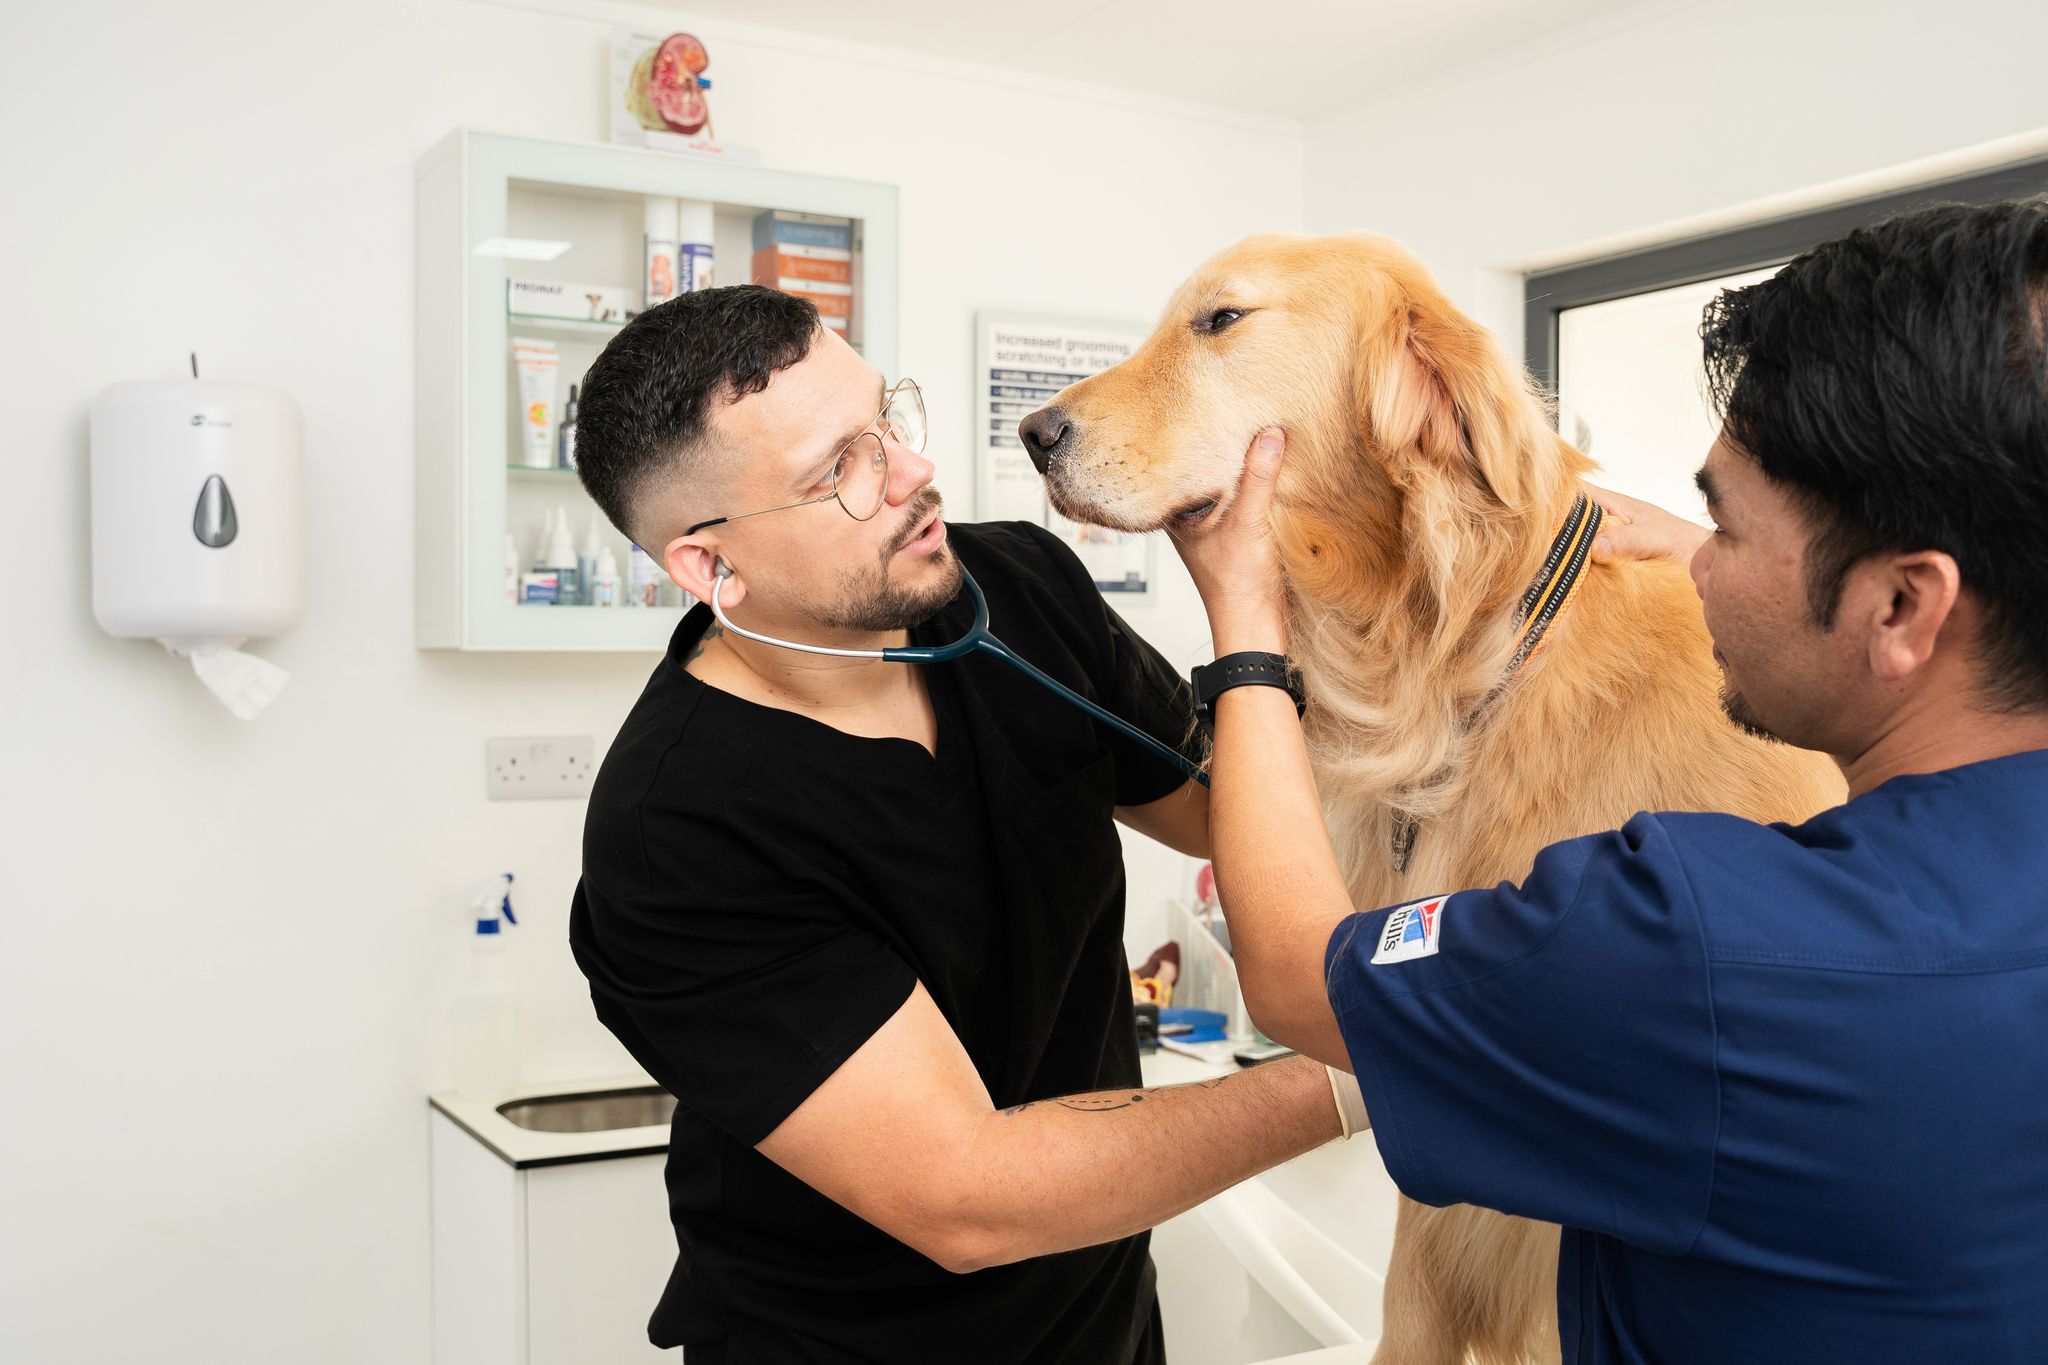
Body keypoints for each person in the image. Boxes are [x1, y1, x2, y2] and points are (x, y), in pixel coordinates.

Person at [1172, 197, 2048, 1363]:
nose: (1691, 572)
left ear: (1901, 605)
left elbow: (1292, 975)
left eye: (1720, 527)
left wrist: (1247, 625)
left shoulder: (1682, 938)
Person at [565, 285, 1365, 1364]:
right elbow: (969, 1199)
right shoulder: (680, 826)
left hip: (1104, 1318)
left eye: (885, 420)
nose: (911, 473)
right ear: (712, 569)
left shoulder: (1010, 587)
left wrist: (1257, 617)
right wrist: (1378, 1069)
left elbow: (1234, 819)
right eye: (838, 470)